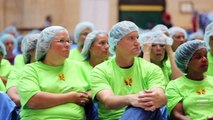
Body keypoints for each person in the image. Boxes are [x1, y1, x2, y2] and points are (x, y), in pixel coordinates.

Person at [90, 21, 167, 120]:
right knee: (140, 105)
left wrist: (158, 99)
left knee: (143, 107)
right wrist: (130, 99)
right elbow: (108, 101)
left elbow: (159, 96)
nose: (137, 43)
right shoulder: (100, 70)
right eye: (131, 38)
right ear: (116, 42)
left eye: (137, 38)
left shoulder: (151, 68)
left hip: (147, 115)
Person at [18, 26, 91, 119]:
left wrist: (86, 96)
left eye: (68, 41)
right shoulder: (30, 70)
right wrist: (71, 97)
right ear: (46, 45)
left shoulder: (78, 67)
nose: (67, 45)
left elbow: (95, 88)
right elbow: (33, 100)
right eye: (61, 41)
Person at [166, 40, 213, 119]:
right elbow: (176, 114)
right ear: (186, 62)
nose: (204, 59)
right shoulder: (175, 85)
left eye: (205, 56)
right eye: (198, 57)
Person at [6, 33, 40, 106]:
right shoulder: (19, 68)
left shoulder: (51, 66)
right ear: (30, 51)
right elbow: (13, 97)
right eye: (40, 48)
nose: (44, 51)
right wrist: (34, 101)